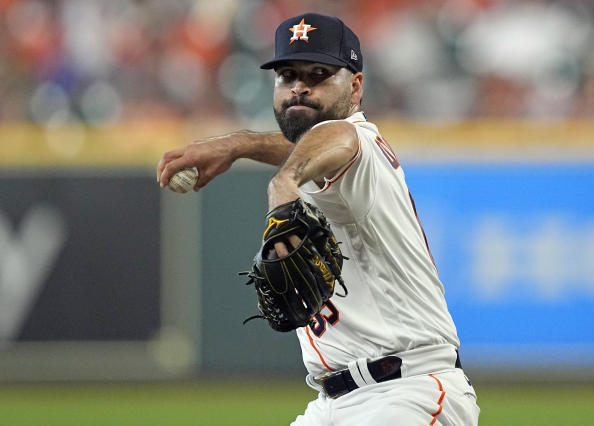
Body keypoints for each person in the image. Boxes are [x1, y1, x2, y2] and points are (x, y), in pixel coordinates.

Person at [157, 12, 480, 426]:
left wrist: (283, 185)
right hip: (333, 403)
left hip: (408, 394)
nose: (299, 86)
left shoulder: (355, 141)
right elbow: (305, 146)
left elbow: (337, 139)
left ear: (356, 86)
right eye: (287, 75)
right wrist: (238, 145)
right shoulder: (316, 155)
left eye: (319, 74)